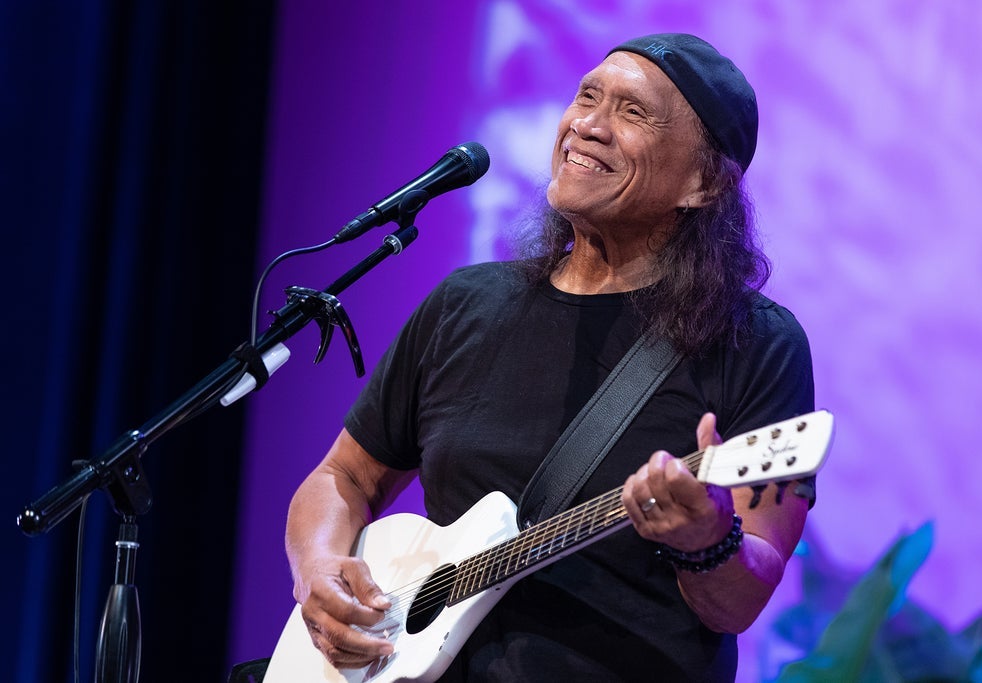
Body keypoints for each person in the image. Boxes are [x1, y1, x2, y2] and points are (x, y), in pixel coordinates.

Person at [285, 32, 815, 681]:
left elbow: (739, 601)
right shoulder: (465, 304)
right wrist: (318, 571)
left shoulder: (752, 340)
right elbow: (342, 478)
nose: (588, 126)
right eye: (587, 96)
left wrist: (707, 539)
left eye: (632, 112)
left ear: (702, 183)